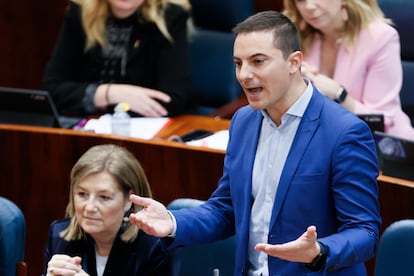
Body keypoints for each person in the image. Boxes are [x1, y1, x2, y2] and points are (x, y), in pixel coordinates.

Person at [128, 10, 381, 275]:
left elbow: (365, 232)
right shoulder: (243, 121)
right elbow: (226, 209)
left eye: (258, 61)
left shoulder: (345, 132)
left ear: (294, 62)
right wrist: (172, 222)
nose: (244, 74)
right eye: (238, 63)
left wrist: (320, 251)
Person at [283, 0, 414, 140]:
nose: (309, 6)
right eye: (301, 0)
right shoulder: (295, 36)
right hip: (322, 142)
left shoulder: (379, 37)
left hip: (382, 146)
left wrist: (339, 93)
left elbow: (381, 120)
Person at [42, 0, 194, 118]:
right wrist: (109, 93)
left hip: (142, 130)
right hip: (87, 125)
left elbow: (174, 98)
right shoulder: (80, 12)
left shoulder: (169, 17)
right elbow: (51, 89)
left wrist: (97, 100)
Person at [43, 144, 178, 276]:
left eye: (104, 197)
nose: (89, 207)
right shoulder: (59, 237)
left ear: (129, 199)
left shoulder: (155, 246)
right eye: (82, 194)